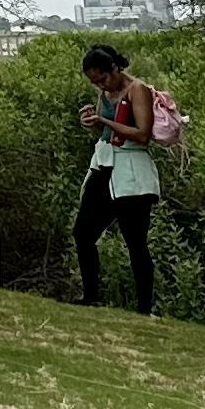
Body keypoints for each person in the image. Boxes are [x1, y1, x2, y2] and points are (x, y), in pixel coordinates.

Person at [72, 44, 164, 314]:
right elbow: (104, 132)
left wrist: (105, 121)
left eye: (103, 79)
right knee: (83, 232)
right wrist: (92, 122)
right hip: (105, 166)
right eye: (95, 83)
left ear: (114, 69)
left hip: (132, 172)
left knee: (135, 242)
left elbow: (142, 134)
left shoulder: (138, 90)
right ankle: (90, 297)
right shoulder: (105, 93)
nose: (101, 86)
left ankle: (144, 308)